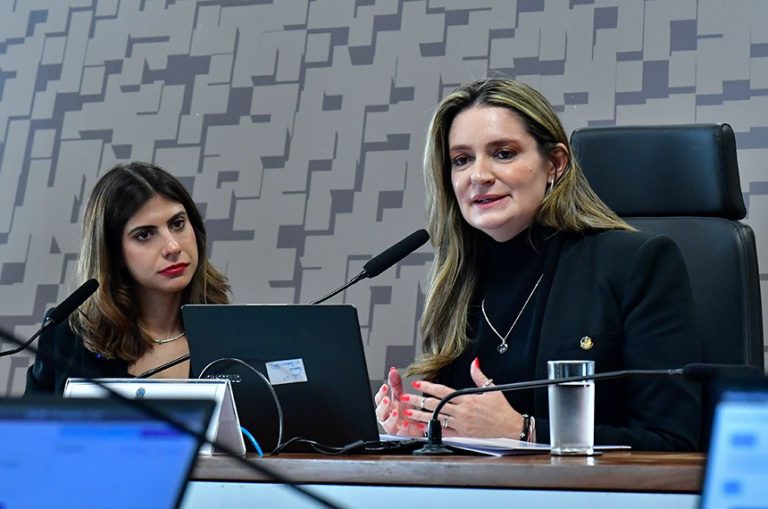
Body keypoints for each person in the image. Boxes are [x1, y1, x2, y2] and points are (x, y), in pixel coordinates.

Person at [374, 79, 701, 451]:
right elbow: (467, 439)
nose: (478, 176)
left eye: (503, 153)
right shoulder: (457, 283)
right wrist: (422, 431)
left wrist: (523, 430)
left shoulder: (637, 264)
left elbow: (673, 443)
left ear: (555, 164)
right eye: (462, 160)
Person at [26, 162, 230, 394]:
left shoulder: (231, 334)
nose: (172, 247)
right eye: (144, 235)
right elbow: (32, 418)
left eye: (177, 224)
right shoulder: (66, 338)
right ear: (114, 253)